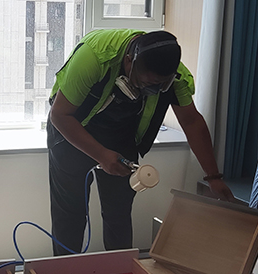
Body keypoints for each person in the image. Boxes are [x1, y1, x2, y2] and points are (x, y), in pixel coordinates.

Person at [47, 28, 234, 256]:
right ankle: (65, 272)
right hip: (71, 127)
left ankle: (120, 269)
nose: (151, 90)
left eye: (160, 86)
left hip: (120, 134)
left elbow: (192, 121)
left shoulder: (175, 77)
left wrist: (213, 177)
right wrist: (102, 155)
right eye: (146, 83)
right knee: (70, 212)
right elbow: (60, 115)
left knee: (119, 210)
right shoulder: (94, 58)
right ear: (129, 61)